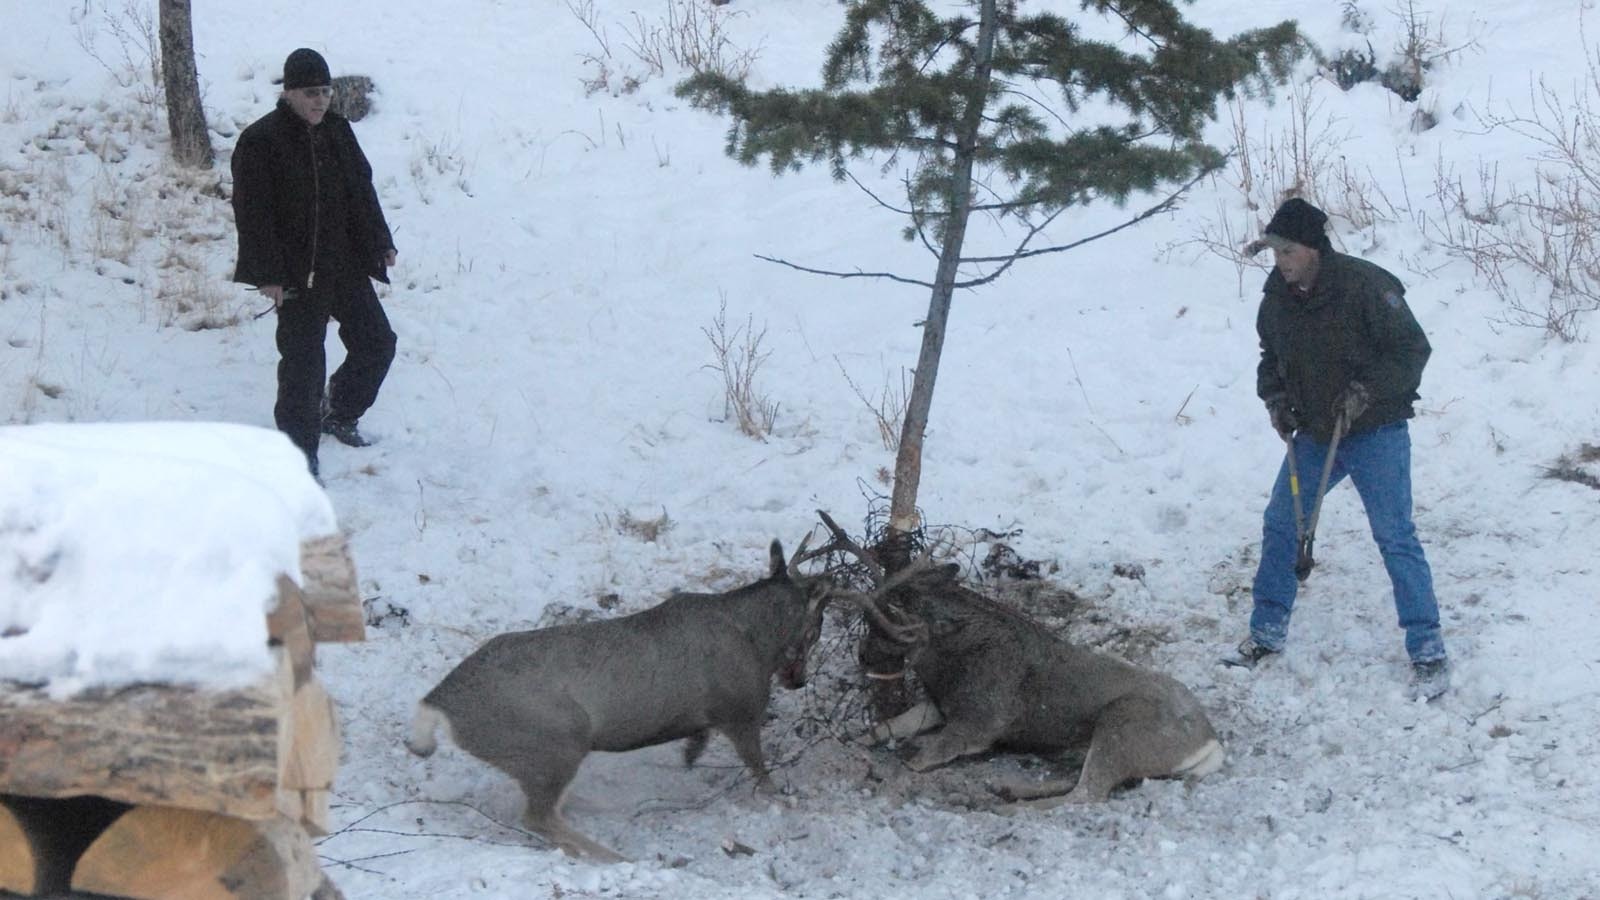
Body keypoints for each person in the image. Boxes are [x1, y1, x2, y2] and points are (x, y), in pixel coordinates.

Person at [1227, 198, 1450, 700]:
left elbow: (1412, 350)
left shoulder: (1366, 286)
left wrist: (1368, 390)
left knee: (1395, 535)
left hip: (1375, 430)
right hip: (1315, 435)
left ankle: (1428, 647)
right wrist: (1277, 398)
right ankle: (1266, 631)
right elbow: (1271, 356)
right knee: (1282, 521)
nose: (1279, 260)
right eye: (1273, 251)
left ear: (1312, 248)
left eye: (1287, 250)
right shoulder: (1277, 299)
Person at [231, 48, 397, 479]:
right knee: (304, 366)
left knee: (377, 341)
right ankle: (297, 455)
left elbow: (362, 191)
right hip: (295, 273)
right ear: (288, 93)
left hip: (342, 263)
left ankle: (340, 411)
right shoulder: (261, 140)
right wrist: (267, 274)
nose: (320, 101)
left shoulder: (338, 131)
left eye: (325, 92)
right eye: (311, 93)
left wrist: (381, 242)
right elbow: (253, 213)